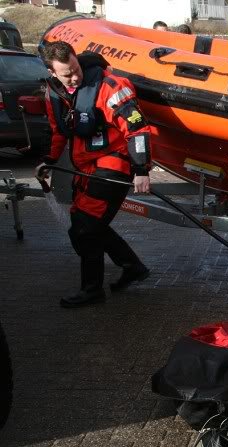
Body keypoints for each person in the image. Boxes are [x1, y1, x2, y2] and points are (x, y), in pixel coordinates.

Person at [36, 41, 153, 308]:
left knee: (85, 229)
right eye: (67, 74)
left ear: (78, 59)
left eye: (76, 69)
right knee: (84, 223)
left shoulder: (111, 87)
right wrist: (49, 161)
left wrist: (141, 170)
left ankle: (92, 290)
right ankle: (132, 266)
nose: (75, 77)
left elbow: (137, 128)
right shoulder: (55, 93)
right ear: (53, 72)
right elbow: (58, 132)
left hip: (115, 165)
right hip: (88, 168)